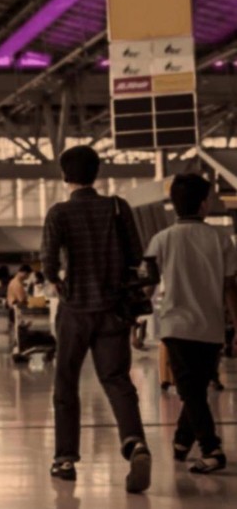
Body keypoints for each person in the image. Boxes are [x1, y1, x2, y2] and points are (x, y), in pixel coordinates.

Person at [41, 145, 151, 493]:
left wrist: (62, 285)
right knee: (117, 380)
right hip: (113, 310)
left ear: (65, 175)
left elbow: (47, 264)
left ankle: (65, 459)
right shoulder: (118, 207)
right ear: (96, 173)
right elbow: (136, 257)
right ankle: (135, 443)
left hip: (75, 310)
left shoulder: (59, 213)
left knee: (66, 383)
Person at [145, 174, 237, 474]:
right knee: (194, 388)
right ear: (203, 204)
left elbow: (147, 285)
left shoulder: (161, 239)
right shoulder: (221, 239)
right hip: (211, 329)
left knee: (192, 390)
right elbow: (230, 288)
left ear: (173, 205)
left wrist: (134, 321)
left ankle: (211, 449)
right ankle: (183, 441)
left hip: (176, 327)